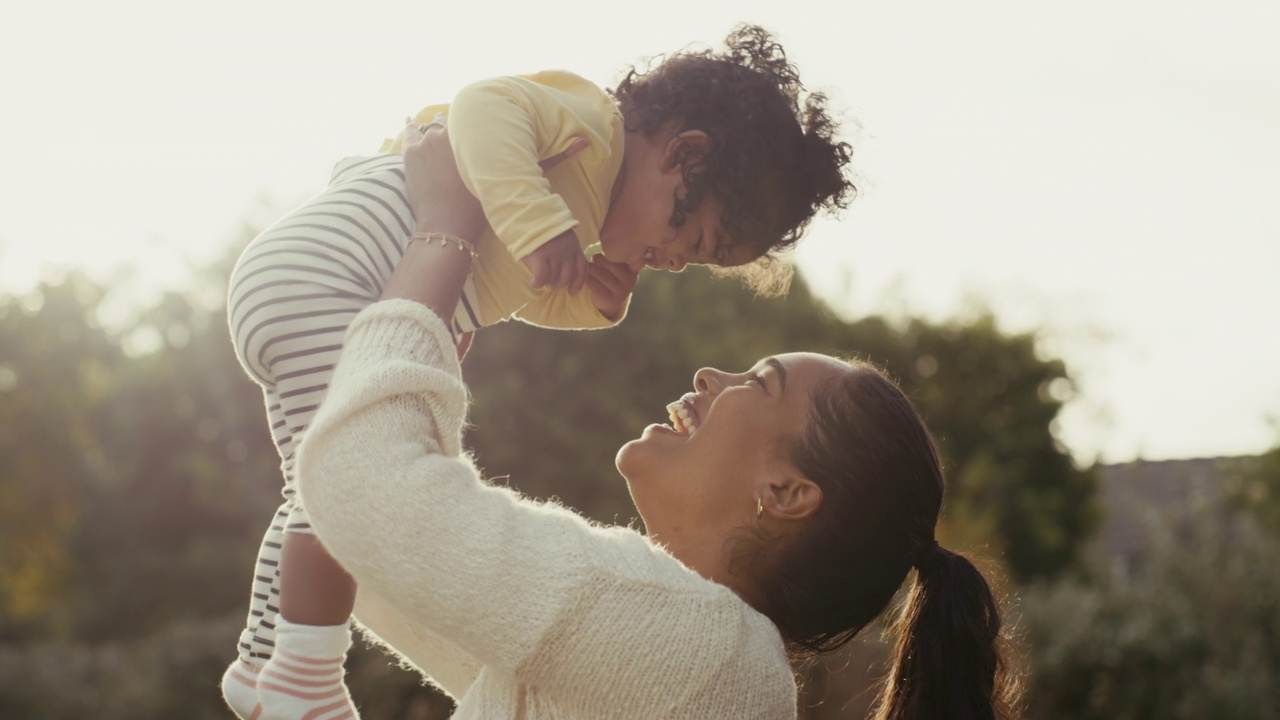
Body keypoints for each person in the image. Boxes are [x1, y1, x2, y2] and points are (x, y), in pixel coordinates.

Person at [278, 121, 1022, 719]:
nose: (710, 376)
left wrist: (443, 237)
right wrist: (408, 339)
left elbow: (368, 496)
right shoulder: (692, 658)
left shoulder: (698, 647)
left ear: (787, 490)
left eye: (759, 383)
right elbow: (372, 548)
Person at [221, 24, 853, 720]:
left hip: (318, 283)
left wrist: (585, 302)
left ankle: (265, 662)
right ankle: (300, 677)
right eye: (690, 239)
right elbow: (481, 109)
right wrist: (522, 225)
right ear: (683, 152)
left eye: (694, 261)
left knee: (313, 487)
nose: (673, 263)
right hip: (330, 274)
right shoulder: (590, 128)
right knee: (325, 492)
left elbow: (516, 290)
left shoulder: (711, 658)